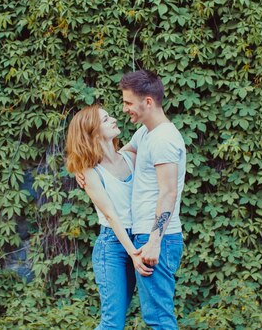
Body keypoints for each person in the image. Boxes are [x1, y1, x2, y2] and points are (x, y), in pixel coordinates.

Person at [77, 70, 187, 329]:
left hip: (154, 238)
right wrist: (83, 171)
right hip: (142, 237)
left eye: (127, 102)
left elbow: (169, 192)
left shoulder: (163, 139)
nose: (123, 109)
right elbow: (115, 158)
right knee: (150, 318)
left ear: (147, 102)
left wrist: (154, 241)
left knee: (158, 319)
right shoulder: (146, 134)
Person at [65, 104, 153, 330]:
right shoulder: (89, 171)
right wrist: (134, 254)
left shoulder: (129, 158)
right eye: (105, 119)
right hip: (112, 246)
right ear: (92, 131)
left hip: (136, 239)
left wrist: (136, 249)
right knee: (113, 322)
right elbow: (112, 215)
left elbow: (152, 124)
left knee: (117, 318)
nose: (114, 119)